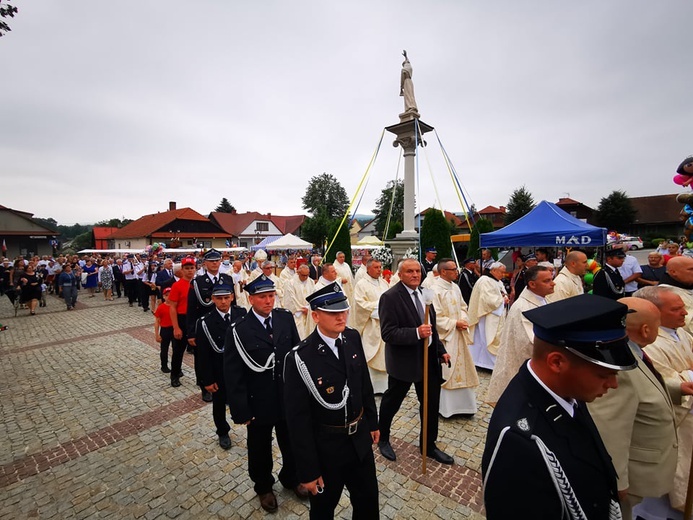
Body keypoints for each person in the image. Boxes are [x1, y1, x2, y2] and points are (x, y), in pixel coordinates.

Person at [482, 294, 638, 519]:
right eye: (603, 374)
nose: (613, 384)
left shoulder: (567, 392)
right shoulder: (519, 441)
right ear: (556, 362)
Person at [283, 282, 380, 519]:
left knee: (368, 502)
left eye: (344, 310)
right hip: (326, 447)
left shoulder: (352, 337)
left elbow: (363, 384)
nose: (341, 317)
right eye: (333, 312)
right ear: (315, 316)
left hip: (359, 442)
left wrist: (373, 422)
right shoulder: (299, 358)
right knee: (323, 510)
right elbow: (297, 420)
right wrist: (307, 470)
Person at [588, 296, 682, 520]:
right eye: (659, 325)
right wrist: (617, 480)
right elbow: (610, 427)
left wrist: (677, 388)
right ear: (646, 329)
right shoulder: (620, 362)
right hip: (630, 476)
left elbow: (645, 387)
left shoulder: (633, 351)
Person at [225, 275, 304, 513]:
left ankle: (292, 477)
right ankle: (263, 486)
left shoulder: (284, 318)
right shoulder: (239, 329)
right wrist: (241, 409)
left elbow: (296, 356)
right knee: (259, 447)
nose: (269, 301)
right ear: (251, 299)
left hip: (286, 397)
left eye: (271, 296)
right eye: (262, 297)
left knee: (291, 441)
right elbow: (232, 372)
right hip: (258, 401)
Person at [377, 258, 453, 464]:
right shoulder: (390, 297)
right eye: (409, 271)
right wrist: (416, 333)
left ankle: (428, 445)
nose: (415, 275)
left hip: (428, 361)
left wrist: (440, 350)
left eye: (418, 271)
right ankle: (383, 438)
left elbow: (432, 326)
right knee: (392, 401)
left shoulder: (425, 292)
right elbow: (388, 333)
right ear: (400, 274)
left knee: (430, 404)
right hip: (404, 361)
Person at [633, 286, 693, 514]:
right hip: (671, 423)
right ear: (654, 312)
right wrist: (687, 375)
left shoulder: (682, 334)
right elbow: (656, 382)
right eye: (677, 309)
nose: (685, 313)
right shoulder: (649, 342)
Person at [486, 265, 555, 405]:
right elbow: (530, 342)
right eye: (547, 281)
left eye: (551, 279)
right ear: (532, 284)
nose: (553, 283)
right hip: (525, 370)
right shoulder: (523, 308)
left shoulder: (541, 299)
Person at [197, 285, 246, 450]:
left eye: (226, 297)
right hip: (219, 371)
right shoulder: (205, 322)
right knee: (218, 404)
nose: (223, 302)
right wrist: (207, 380)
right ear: (213, 299)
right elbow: (202, 355)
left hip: (241, 370)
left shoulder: (242, 314)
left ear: (232, 297)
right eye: (219, 298)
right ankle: (222, 431)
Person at [430, 258, 479, 417]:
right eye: (453, 269)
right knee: (447, 370)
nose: (457, 272)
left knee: (464, 369)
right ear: (443, 271)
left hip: (459, 335)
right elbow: (434, 316)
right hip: (447, 338)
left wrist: (463, 319)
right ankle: (446, 409)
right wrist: (454, 323)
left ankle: (465, 407)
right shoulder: (434, 290)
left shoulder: (456, 288)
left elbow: (463, 307)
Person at [186, 248, 235, 402]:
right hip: (205, 327)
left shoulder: (227, 279)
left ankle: (225, 383)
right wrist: (191, 332)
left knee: (224, 355)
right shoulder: (197, 282)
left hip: (224, 324)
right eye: (211, 261)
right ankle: (204, 385)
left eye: (217, 260)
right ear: (205, 263)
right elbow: (191, 309)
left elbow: (234, 303)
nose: (215, 263)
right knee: (203, 356)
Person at [353, 258, 390, 394]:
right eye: (376, 267)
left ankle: (385, 387)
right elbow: (359, 304)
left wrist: (386, 311)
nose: (379, 269)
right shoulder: (361, 284)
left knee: (385, 355)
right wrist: (381, 310)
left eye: (380, 267)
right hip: (371, 325)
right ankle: (371, 387)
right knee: (370, 354)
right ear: (368, 268)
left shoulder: (384, 283)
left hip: (384, 326)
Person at [466, 262, 508, 370]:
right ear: (493, 270)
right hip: (486, 315)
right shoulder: (485, 280)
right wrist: (502, 300)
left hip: (494, 314)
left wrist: (505, 296)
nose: (503, 275)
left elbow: (502, 292)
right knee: (485, 338)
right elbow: (487, 300)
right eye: (501, 272)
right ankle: (486, 364)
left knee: (486, 338)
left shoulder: (496, 281)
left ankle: (483, 362)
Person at [167, 256, 197, 388]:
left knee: (199, 351)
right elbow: (172, 307)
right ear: (182, 270)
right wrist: (176, 327)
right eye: (187, 268)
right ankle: (175, 374)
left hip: (195, 320)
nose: (190, 271)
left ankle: (200, 377)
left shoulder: (197, 284)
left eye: (192, 268)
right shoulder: (177, 285)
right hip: (182, 319)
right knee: (178, 350)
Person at [658, 255, 693, 336]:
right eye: (691, 269)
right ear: (673, 272)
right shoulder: (666, 294)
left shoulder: (687, 285)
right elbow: (687, 325)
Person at [283, 263, 316, 340]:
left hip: (309, 314)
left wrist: (309, 308)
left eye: (307, 275)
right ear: (298, 273)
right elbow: (290, 299)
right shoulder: (290, 283)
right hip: (297, 315)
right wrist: (301, 310)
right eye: (303, 275)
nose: (305, 277)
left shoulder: (311, 282)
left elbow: (314, 296)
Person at [154, 287, 175, 374]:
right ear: (163, 296)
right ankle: (164, 365)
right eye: (167, 295)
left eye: (170, 295)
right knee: (164, 349)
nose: (169, 297)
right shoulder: (161, 308)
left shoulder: (175, 306)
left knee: (176, 349)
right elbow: (157, 321)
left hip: (174, 329)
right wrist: (157, 334)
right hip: (165, 330)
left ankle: (176, 366)